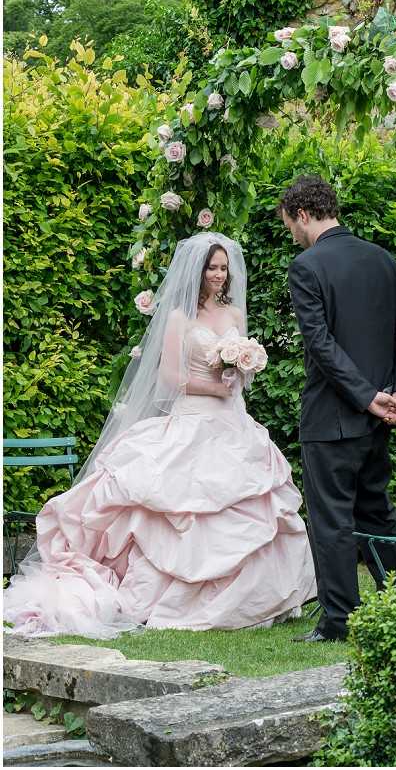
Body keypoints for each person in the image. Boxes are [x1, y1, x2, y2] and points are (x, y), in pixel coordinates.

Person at [4, 233, 316, 638]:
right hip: (193, 420)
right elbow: (170, 377)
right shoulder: (178, 319)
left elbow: (240, 375)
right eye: (212, 268)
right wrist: (215, 387)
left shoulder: (234, 316)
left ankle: (256, 599)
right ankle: (171, 597)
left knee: (253, 507)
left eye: (224, 268)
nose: (220, 276)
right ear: (197, 271)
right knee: (180, 507)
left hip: (233, 423)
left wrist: (240, 370)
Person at [279, 175, 396, 643]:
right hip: (381, 414)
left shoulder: (307, 266)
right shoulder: (382, 260)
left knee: (332, 521)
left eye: (290, 225)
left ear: (302, 214)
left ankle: (340, 621)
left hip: (332, 416)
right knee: (377, 511)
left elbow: (321, 346)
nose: (292, 235)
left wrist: (365, 396)